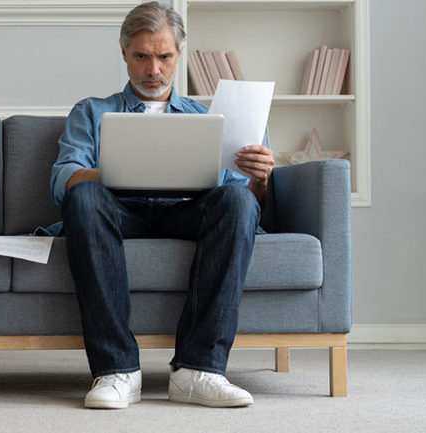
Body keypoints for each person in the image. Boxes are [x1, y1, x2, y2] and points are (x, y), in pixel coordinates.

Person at [49, 1, 274, 409]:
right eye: (142, 57)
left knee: (238, 201)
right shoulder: (91, 111)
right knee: (84, 196)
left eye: (164, 57)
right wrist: (119, 170)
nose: (154, 70)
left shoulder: (209, 117)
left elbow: (244, 200)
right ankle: (116, 370)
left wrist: (259, 179)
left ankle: (200, 370)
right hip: (118, 213)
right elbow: (63, 179)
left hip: (187, 212)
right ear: (124, 55)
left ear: (179, 54)